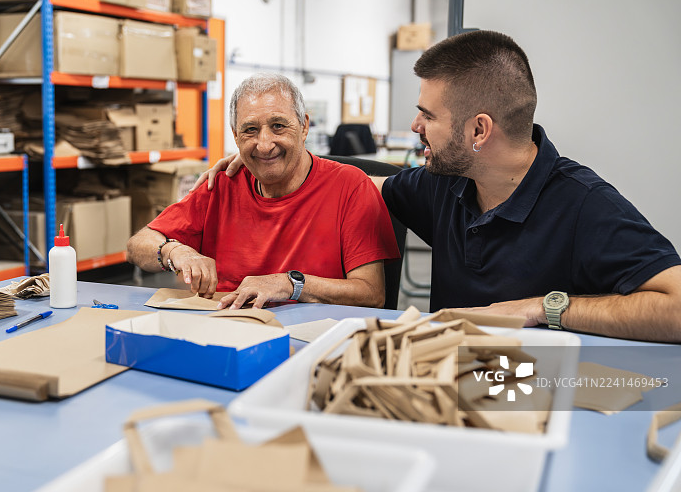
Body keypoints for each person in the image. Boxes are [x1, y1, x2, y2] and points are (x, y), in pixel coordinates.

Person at [194, 31, 681, 342]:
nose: (414, 125)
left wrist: (544, 308)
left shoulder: (583, 204)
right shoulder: (444, 186)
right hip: (451, 381)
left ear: (478, 131)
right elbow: (358, 180)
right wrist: (266, 154)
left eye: (428, 115)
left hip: (537, 392)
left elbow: (676, 308)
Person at [126, 73, 399, 310]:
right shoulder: (222, 184)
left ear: (304, 126)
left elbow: (371, 294)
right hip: (229, 332)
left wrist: (290, 284)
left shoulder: (350, 186)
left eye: (278, 126)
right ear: (235, 135)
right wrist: (175, 251)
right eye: (251, 130)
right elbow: (137, 246)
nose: (264, 144)